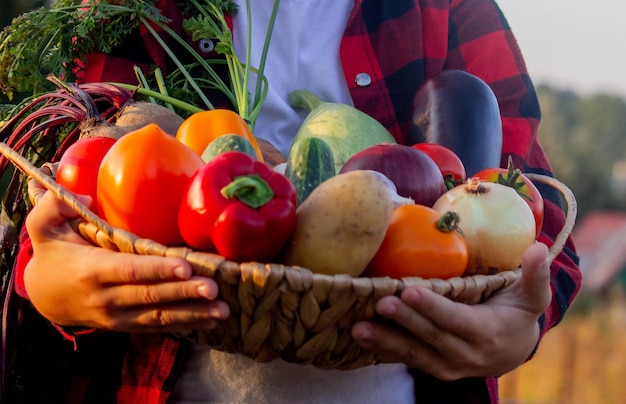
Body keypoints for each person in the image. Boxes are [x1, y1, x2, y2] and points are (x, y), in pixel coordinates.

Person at [11, 0, 582, 402]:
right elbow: (63, 191)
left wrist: (520, 328)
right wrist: (46, 282)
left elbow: (537, 211)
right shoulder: (135, 6)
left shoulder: (444, 6)